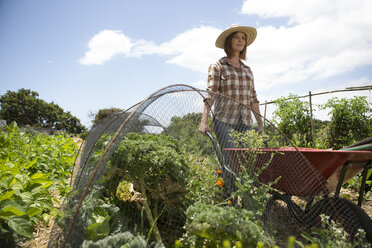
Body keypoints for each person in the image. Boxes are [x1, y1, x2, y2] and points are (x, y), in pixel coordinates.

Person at [199, 24, 264, 176]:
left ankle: (247, 198)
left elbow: (253, 98)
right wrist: (204, 121)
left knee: (248, 163)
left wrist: (260, 122)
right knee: (230, 164)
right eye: (236, 37)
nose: (240, 41)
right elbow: (210, 95)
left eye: (243, 38)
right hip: (224, 121)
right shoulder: (218, 66)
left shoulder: (247, 70)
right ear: (229, 41)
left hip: (245, 123)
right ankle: (230, 197)